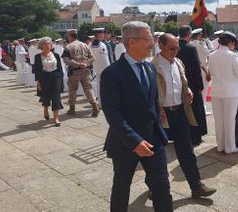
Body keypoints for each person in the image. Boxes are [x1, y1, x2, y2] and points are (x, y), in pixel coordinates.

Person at [100, 21, 173, 212]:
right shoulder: (112, 73)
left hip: (153, 139)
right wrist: (134, 141)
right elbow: (112, 113)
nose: (153, 44)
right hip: (126, 143)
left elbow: (152, 101)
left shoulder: (149, 68)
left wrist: (159, 116)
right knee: (122, 187)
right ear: (132, 42)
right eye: (149, 39)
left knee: (162, 186)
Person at [152, 33, 217, 198]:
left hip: (179, 112)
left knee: (187, 151)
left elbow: (182, 83)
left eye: (177, 48)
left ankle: (196, 186)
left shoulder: (178, 62)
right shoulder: (151, 66)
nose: (176, 51)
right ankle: (156, 188)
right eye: (171, 48)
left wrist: (187, 91)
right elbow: (147, 92)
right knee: (157, 155)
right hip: (162, 115)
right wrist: (154, 108)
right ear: (160, 46)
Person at [208, 31, 238, 154]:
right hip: (231, 92)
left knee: (219, 120)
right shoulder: (233, 55)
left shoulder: (212, 55)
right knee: (230, 120)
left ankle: (220, 146)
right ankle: (230, 147)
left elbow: (212, 72)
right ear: (230, 42)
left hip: (216, 91)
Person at [177, 25, 208, 145]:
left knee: (181, 111)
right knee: (195, 110)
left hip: (177, 83)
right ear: (189, 35)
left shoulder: (174, 46)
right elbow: (196, 69)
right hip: (191, 84)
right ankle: (195, 136)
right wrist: (200, 86)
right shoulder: (191, 48)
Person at [62, 29, 100, 117]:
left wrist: (79, 64)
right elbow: (93, 58)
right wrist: (85, 64)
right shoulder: (85, 45)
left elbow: (66, 60)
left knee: (72, 89)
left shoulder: (68, 47)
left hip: (74, 71)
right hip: (86, 70)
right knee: (88, 88)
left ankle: (72, 109)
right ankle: (94, 106)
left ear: (69, 36)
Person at [34, 37, 63, 126]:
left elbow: (60, 68)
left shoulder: (56, 55)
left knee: (56, 96)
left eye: (49, 44)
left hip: (55, 77)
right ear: (41, 46)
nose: (47, 45)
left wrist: (61, 79)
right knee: (46, 95)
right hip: (44, 77)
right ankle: (45, 108)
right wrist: (38, 82)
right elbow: (37, 70)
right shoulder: (38, 57)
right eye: (45, 44)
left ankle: (56, 118)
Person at [190, 28, 213, 113]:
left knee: (197, 89)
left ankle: (199, 108)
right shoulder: (200, 44)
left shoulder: (192, 44)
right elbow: (210, 52)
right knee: (204, 90)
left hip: (195, 69)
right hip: (203, 69)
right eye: (200, 35)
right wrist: (208, 43)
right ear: (198, 36)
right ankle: (203, 108)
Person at [91, 28, 111, 108]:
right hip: (104, 69)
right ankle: (105, 103)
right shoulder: (102, 45)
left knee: (99, 87)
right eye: (102, 34)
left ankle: (100, 103)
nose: (103, 35)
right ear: (98, 35)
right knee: (106, 87)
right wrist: (109, 69)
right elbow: (105, 60)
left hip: (97, 69)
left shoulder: (92, 45)